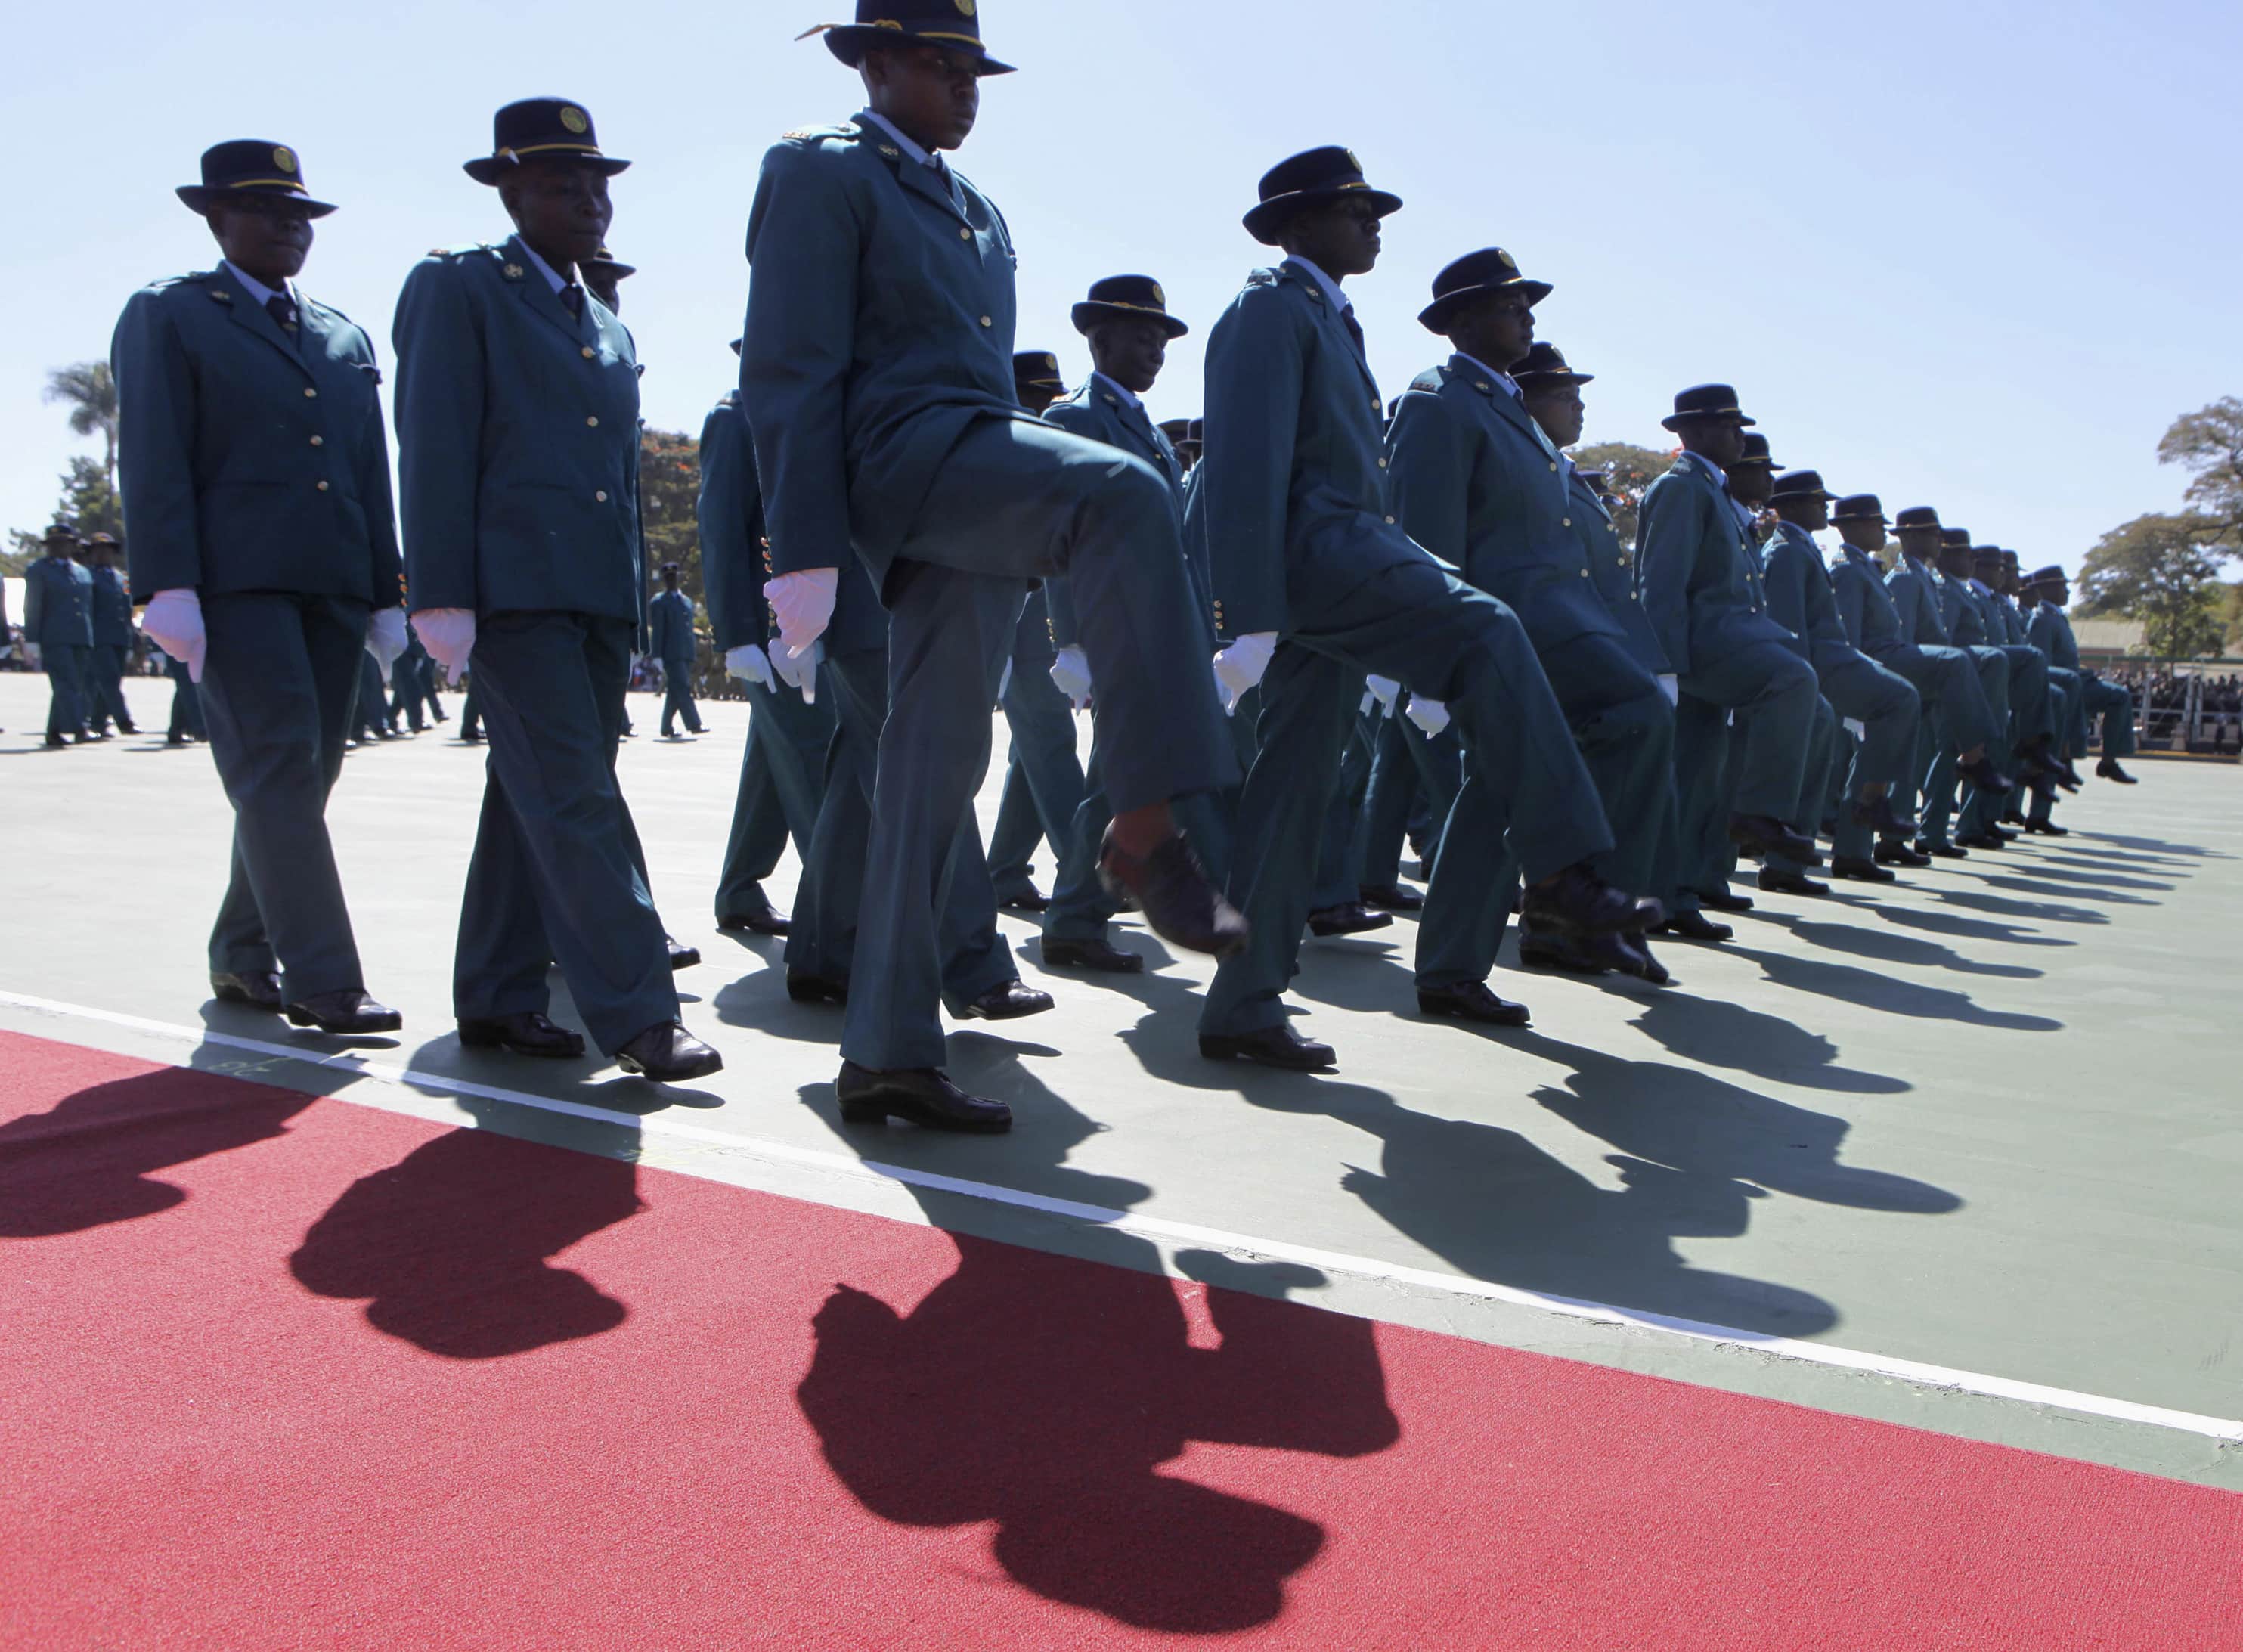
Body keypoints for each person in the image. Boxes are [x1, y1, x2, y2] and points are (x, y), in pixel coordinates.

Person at [742, 5, 1244, 1132]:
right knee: (1124, 489)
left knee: (933, 767)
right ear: (872, 66)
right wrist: (805, 546)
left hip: (963, 485)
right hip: (900, 459)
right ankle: (1147, 829)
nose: (965, 86)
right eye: (938, 63)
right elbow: (788, 364)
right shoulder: (822, 172)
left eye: (974, 68)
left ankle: (881, 1053)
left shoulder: (979, 210)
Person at [1198, 149, 1656, 1067]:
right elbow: (1242, 468)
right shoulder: (1267, 309)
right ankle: (1563, 871)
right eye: (1354, 208)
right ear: (1297, 222)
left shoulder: (1326, 315)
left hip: (1331, 564)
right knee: (1488, 625)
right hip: (1316, 559)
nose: (1374, 223)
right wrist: (1241, 613)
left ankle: (1244, 1004)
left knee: (1292, 794)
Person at [393, 98, 719, 1081]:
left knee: (527, 791)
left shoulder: (604, 325)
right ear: (509, 191)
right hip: (511, 592)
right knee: (576, 794)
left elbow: (616, 483)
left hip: (591, 599)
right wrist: (440, 590)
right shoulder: (462, 288)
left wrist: (627, 610)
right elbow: (435, 441)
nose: (587, 201)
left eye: (597, 183)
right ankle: (636, 1011)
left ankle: (496, 994)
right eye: (558, 184)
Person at [113, 139, 407, 1032]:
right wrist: (165, 583)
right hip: (234, 587)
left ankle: (243, 952)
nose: (289, 227)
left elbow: (368, 467)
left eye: (300, 215)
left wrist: (386, 587)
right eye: (266, 211)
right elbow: (154, 455)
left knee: (305, 775)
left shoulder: (339, 332)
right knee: (278, 770)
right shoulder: (172, 314)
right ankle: (324, 979)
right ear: (215, 218)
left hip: (329, 583)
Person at [1389, 274, 1673, 996]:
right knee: (1636, 713)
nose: (1524, 317)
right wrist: (1427, 665)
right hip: (1501, 628)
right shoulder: (1439, 401)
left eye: (1527, 308)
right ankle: (1576, 900)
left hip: (1555, 628)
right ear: (1458, 321)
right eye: (1507, 306)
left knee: (1497, 787)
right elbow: (1427, 538)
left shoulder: (1509, 409)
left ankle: (1463, 962)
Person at [1039, 275, 1208, 974]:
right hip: (1112, 628)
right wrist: (1069, 636)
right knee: (1113, 779)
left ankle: (1092, 906)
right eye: (1140, 336)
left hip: (1157, 628)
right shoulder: (1076, 417)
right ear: (1097, 338)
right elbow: (1055, 531)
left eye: (1161, 338)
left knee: (1130, 776)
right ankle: (1075, 915)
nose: (1154, 351)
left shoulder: (1141, 424)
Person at [1632, 386, 1822, 935]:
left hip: (1714, 645)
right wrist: (1662, 665)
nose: (1739, 436)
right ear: (1693, 431)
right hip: (1697, 646)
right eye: (1728, 426)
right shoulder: (1680, 488)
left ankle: (1677, 894)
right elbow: (1659, 582)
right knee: (1792, 678)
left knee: (1693, 781)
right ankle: (1759, 815)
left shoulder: (1711, 491)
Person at [702, 342, 829, 936]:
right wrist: (738, 636)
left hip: (803, 628)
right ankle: (840, 917)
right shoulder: (735, 420)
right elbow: (723, 531)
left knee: (774, 762)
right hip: (773, 634)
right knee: (813, 765)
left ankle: (740, 888)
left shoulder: (801, 419)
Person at [1757, 470, 1921, 884]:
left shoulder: (1801, 548)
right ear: (1791, 506)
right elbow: (1790, 624)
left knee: (1816, 763)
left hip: (1827, 665)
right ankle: (1864, 808)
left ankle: (1841, 837)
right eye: (1816, 501)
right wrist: (1800, 682)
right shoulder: (1788, 553)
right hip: (1813, 669)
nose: (1824, 508)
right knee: (1894, 703)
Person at [1825, 502, 2010, 862]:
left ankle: (1857, 853)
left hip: (1900, 672)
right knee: (1873, 758)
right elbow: (1855, 636)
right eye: (1930, 534)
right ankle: (1973, 757)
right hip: (1876, 670)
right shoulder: (1874, 573)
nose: (1939, 541)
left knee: (1891, 759)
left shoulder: (1888, 571)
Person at [984, 349, 1089, 915]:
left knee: (1033, 753)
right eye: (1034, 398)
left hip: (1048, 625)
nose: (1045, 409)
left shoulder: (1039, 454)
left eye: (1051, 397)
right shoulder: (1000, 456)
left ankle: (1002, 871)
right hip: (1021, 626)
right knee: (1049, 745)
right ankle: (1087, 870)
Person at [23, 525, 96, 748]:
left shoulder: (83, 572)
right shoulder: (39, 569)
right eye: (54, 543)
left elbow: (88, 607)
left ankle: (54, 732)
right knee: (66, 683)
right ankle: (80, 727)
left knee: (74, 684)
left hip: (81, 636)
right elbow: (33, 605)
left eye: (63, 543)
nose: (58, 547)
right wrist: (32, 638)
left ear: (72, 546)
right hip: (54, 637)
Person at [82, 533, 140, 737]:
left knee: (112, 682)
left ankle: (98, 723)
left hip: (119, 637)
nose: (103, 553)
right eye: (98, 549)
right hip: (98, 637)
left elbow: (127, 609)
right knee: (109, 679)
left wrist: (132, 640)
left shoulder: (120, 577)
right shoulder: (86, 575)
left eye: (107, 549)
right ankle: (124, 721)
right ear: (91, 553)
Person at [649, 562, 706, 737]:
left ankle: (666, 727)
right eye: (668, 577)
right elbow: (658, 630)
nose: (671, 580)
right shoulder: (659, 602)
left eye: (674, 577)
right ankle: (694, 724)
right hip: (670, 653)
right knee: (683, 687)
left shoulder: (687, 601)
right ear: (664, 580)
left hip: (687, 652)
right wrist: (657, 654)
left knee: (675, 690)